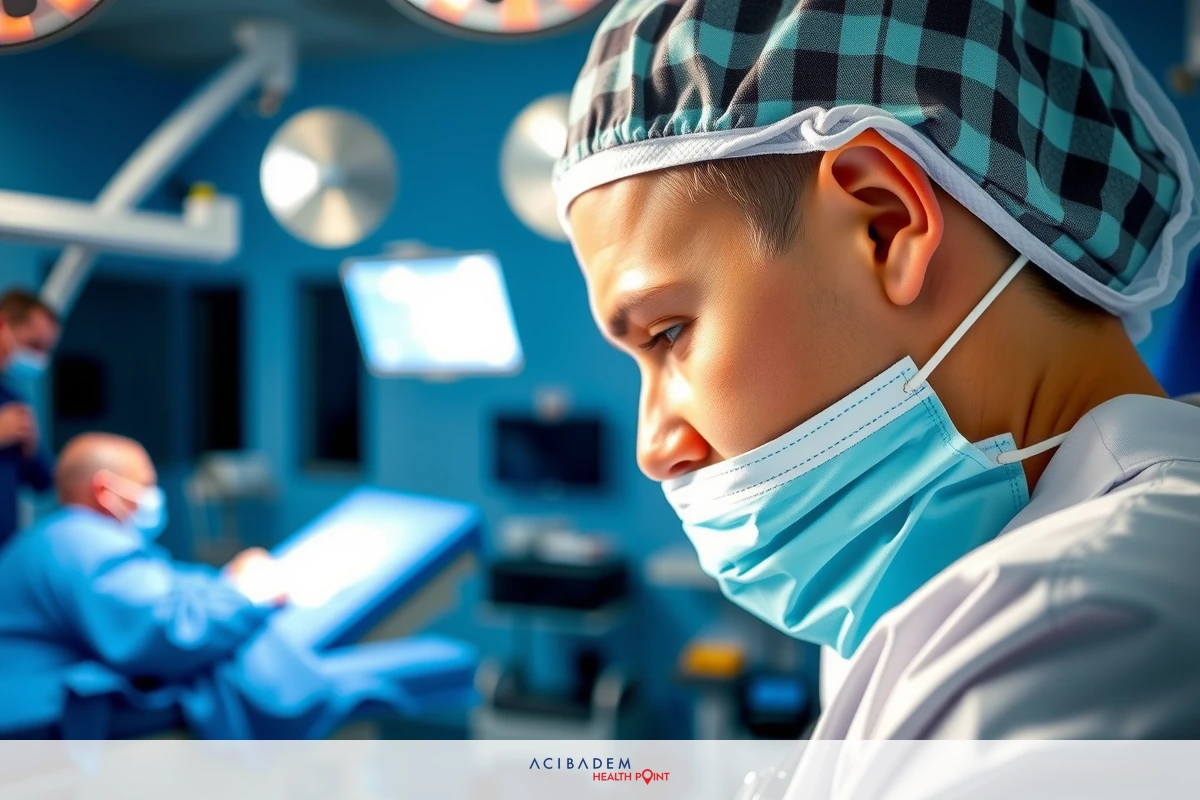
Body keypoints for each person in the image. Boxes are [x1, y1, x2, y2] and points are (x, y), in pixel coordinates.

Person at [553, 0, 1200, 739]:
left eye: (668, 333)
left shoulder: (1084, 632)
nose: (655, 448)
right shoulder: (944, 590)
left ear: (885, 223)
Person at [0, 432, 284, 735]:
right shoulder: (86, 543)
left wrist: (224, 581)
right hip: (38, 718)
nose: (154, 496)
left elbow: (161, 581)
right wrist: (248, 595)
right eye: (146, 485)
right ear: (104, 489)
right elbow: (168, 631)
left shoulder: (58, 536)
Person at [0, 289, 60, 547]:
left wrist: (32, 450)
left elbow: (43, 482)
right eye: (33, 345)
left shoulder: (12, 398)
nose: (39, 358)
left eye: (46, 350)